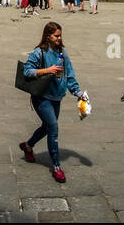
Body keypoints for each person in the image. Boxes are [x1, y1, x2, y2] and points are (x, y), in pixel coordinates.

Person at [19, 22, 87, 183]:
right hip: (42, 97)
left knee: (46, 127)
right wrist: (47, 70)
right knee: (53, 127)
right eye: (56, 36)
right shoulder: (39, 53)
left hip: (57, 97)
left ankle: (28, 146)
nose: (59, 38)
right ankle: (56, 166)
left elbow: (69, 75)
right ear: (48, 36)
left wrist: (77, 92)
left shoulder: (62, 52)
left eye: (60, 35)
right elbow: (27, 71)